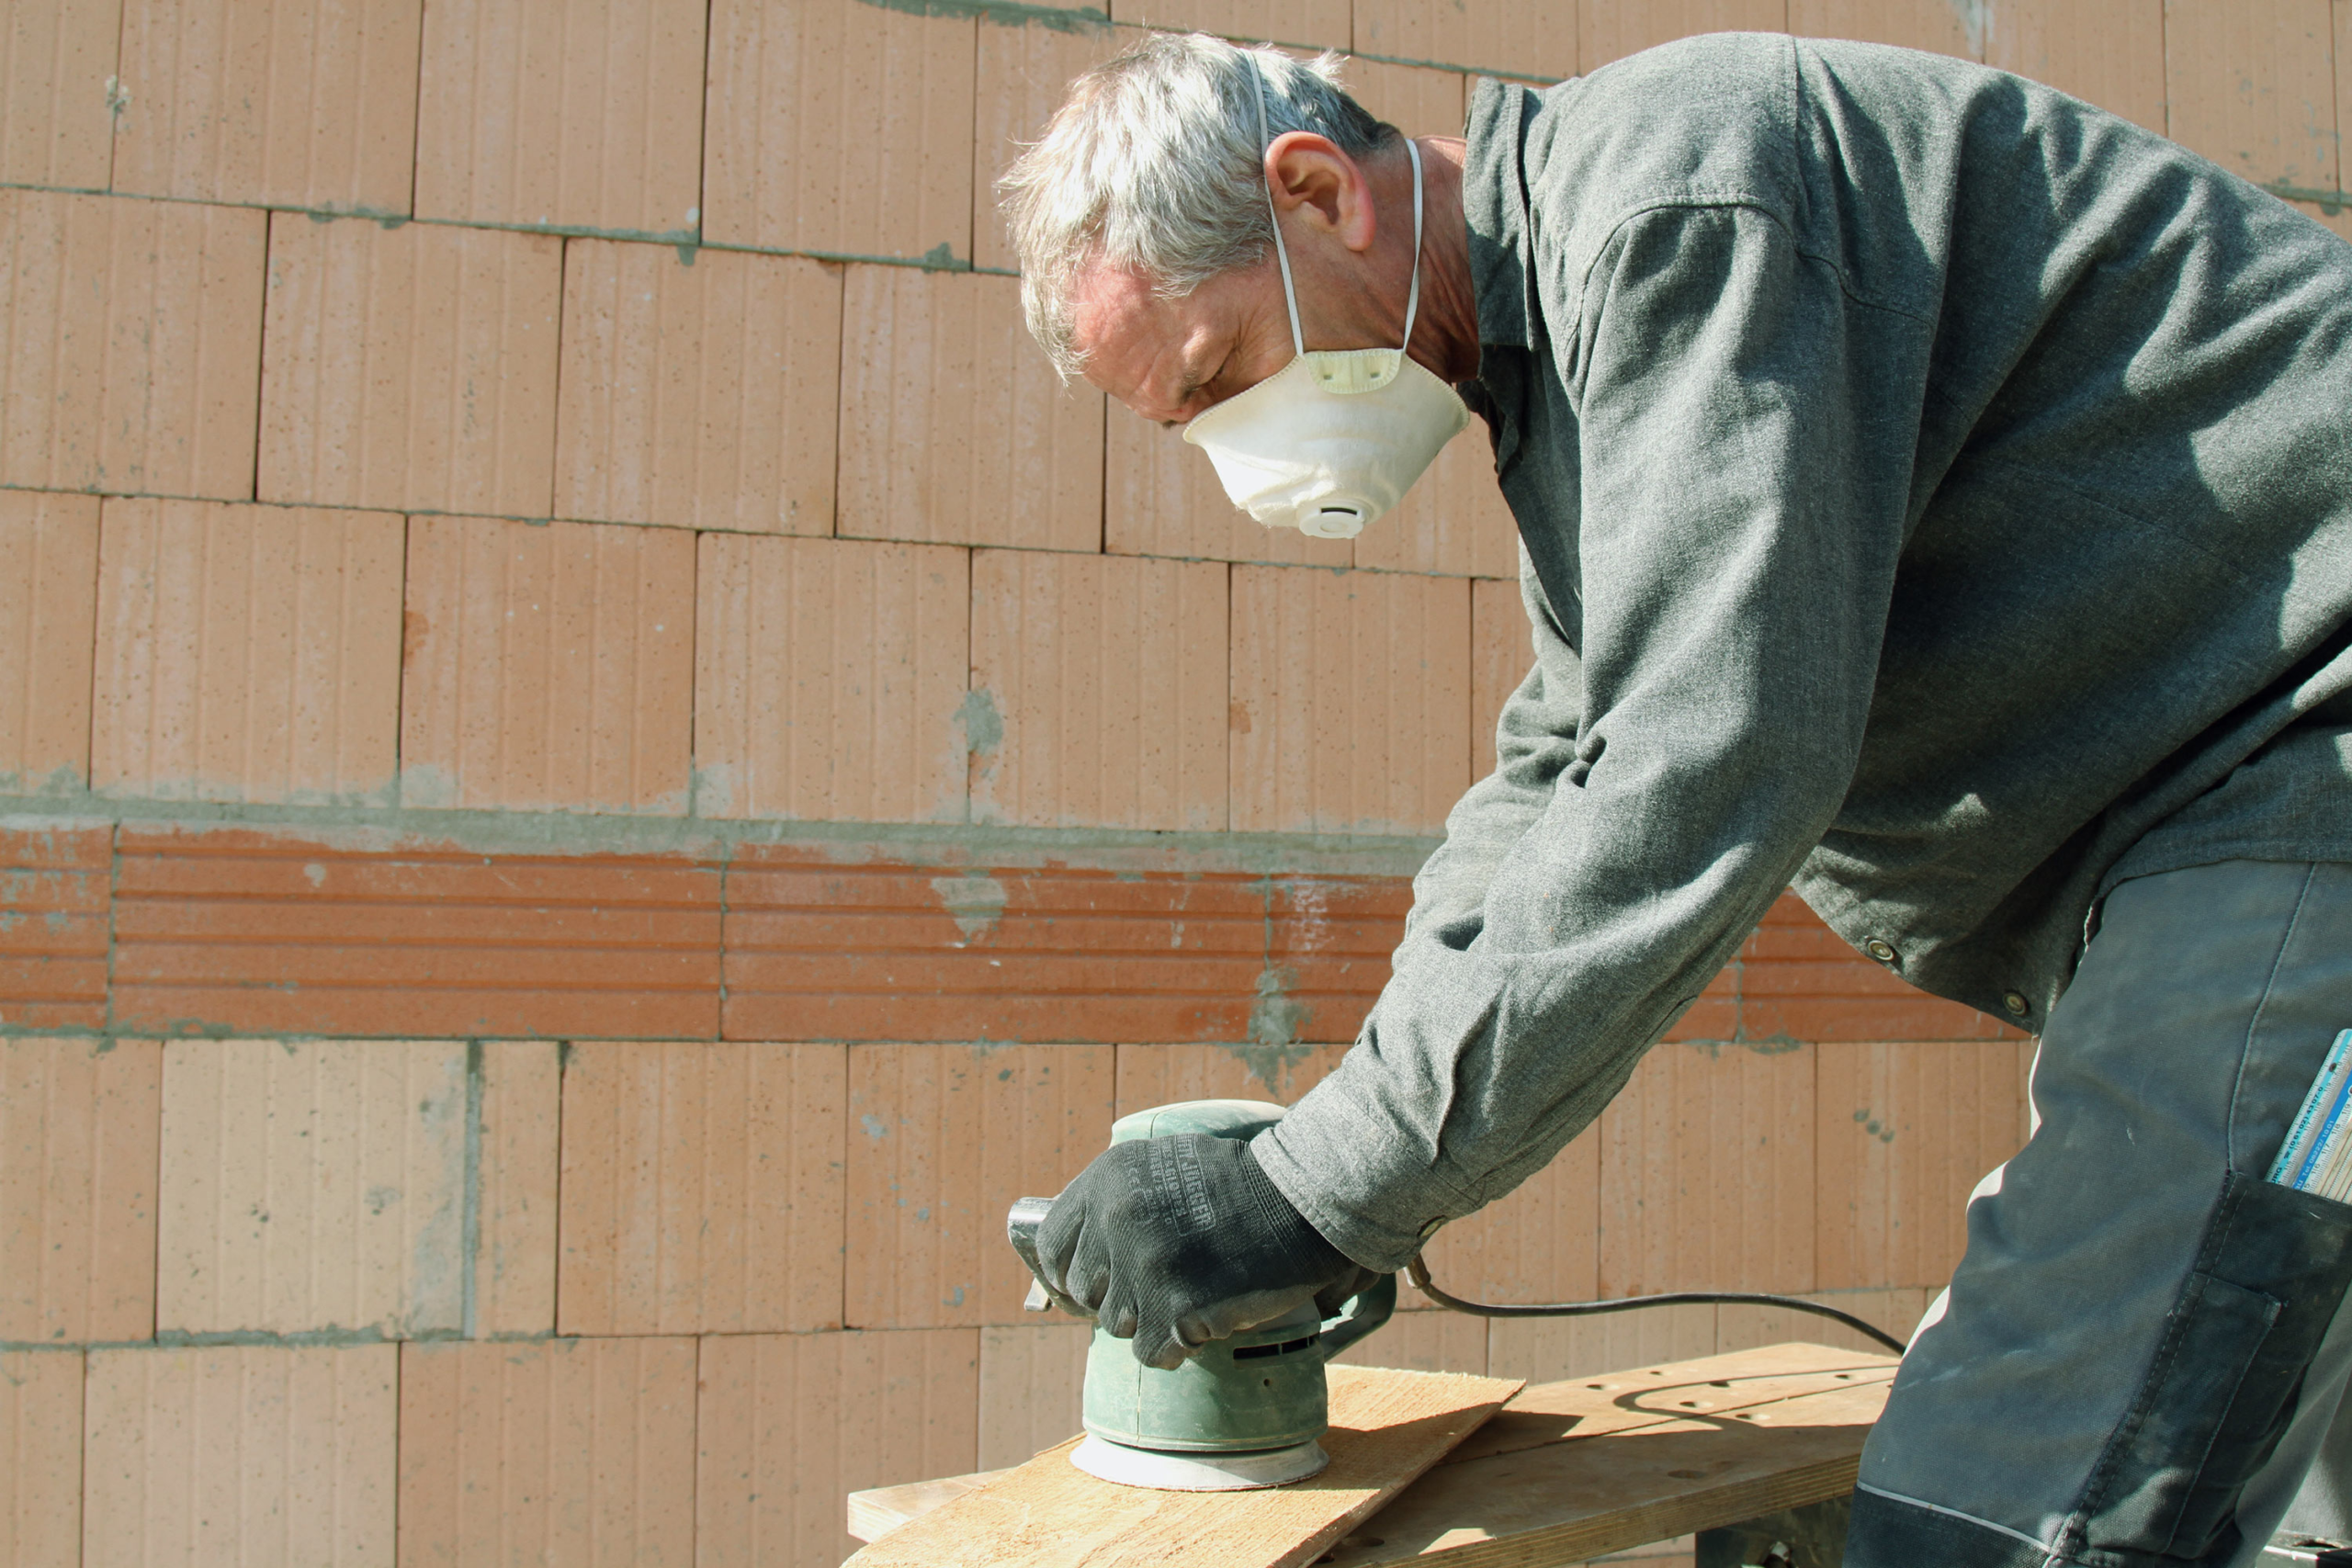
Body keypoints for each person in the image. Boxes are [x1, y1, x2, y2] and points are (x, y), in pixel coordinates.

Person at [1004, 29, 2352, 1567]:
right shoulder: (1554, 366)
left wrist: (1323, 1193)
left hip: (2303, 761)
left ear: (1316, 193)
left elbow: (1712, 751)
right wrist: (1320, 1149)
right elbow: (1562, 766)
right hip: (2232, 815)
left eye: (1220, 376)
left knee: (2003, 1504)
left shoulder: (1678, 200)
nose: (1238, 449)